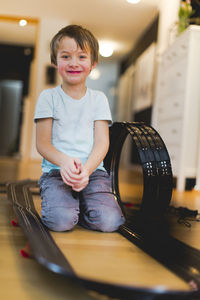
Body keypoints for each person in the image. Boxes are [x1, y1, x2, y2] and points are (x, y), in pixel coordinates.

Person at [34, 25, 125, 232]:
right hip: (56, 172)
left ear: (93, 63)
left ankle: (82, 204)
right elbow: (42, 143)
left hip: (92, 172)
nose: (74, 63)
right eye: (65, 56)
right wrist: (64, 161)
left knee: (110, 222)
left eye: (82, 57)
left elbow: (103, 142)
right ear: (55, 61)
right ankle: (69, 204)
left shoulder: (99, 99)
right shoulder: (48, 98)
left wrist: (86, 170)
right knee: (61, 221)